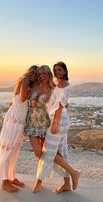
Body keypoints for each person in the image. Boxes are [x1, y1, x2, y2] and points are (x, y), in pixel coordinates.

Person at [0, 65, 38, 192]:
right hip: (15, 120)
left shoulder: (24, 80)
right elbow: (22, 98)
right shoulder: (26, 79)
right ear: (30, 72)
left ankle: (10, 176)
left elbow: (18, 100)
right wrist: (34, 90)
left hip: (18, 119)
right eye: (33, 72)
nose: (33, 75)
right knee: (8, 149)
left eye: (35, 74)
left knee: (14, 150)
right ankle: (4, 181)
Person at [33, 62, 80, 193]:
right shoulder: (59, 83)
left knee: (49, 151)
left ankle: (71, 173)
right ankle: (67, 183)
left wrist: (54, 122)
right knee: (61, 151)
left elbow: (60, 104)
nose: (57, 72)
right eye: (55, 70)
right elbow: (63, 101)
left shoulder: (63, 84)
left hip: (58, 121)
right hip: (59, 119)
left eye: (60, 70)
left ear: (65, 71)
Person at [24, 65, 53, 158]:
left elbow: (61, 104)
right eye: (39, 74)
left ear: (49, 74)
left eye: (44, 73)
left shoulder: (54, 89)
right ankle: (42, 171)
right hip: (31, 122)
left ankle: (44, 172)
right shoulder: (34, 87)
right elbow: (23, 99)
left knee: (47, 152)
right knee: (38, 153)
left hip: (45, 122)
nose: (41, 76)